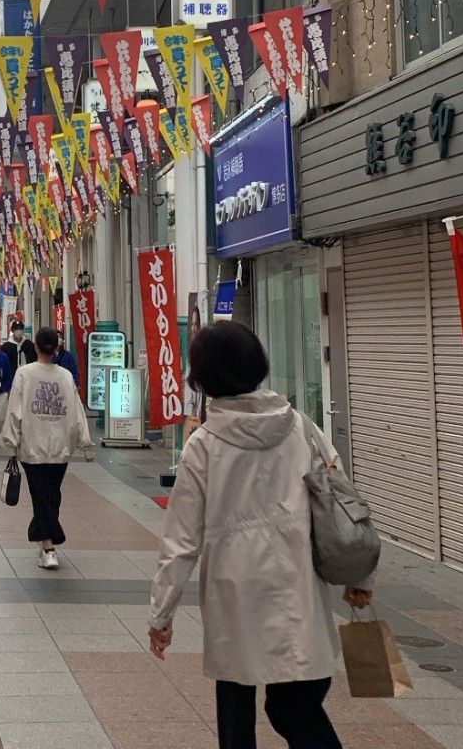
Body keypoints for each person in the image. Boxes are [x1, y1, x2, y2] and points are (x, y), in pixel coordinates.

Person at [148, 321, 374, 749]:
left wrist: (161, 615)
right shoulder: (303, 430)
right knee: (296, 708)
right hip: (297, 591)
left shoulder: (204, 445)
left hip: (233, 598)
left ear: (204, 378)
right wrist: (360, 579)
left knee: (237, 715)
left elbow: (180, 542)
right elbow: (346, 508)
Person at [0, 326, 94, 569]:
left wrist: (10, 441)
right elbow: (77, 410)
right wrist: (85, 443)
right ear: (57, 347)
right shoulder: (65, 376)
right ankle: (48, 542)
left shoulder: (24, 374)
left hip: (33, 445)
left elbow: (14, 410)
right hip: (61, 446)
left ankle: (49, 546)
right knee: (50, 494)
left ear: (37, 346)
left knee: (43, 496)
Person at [1, 319, 37, 389]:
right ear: (12, 330)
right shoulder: (6, 346)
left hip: (28, 377)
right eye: (16, 329)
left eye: (20, 329)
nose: (19, 331)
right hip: (12, 379)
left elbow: (34, 359)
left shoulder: (29, 345)